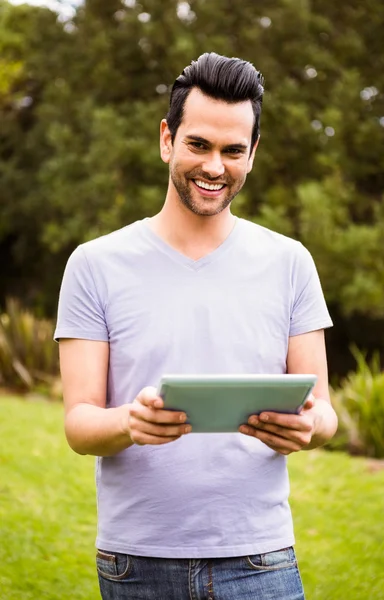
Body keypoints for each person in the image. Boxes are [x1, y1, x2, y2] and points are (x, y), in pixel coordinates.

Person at [55, 52, 338, 600]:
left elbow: (323, 410)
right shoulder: (94, 264)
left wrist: (311, 428)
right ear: (167, 139)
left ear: (252, 154)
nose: (214, 167)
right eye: (198, 145)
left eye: (233, 150)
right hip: (135, 562)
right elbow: (78, 424)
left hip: (260, 558)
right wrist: (129, 423)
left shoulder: (290, 262)